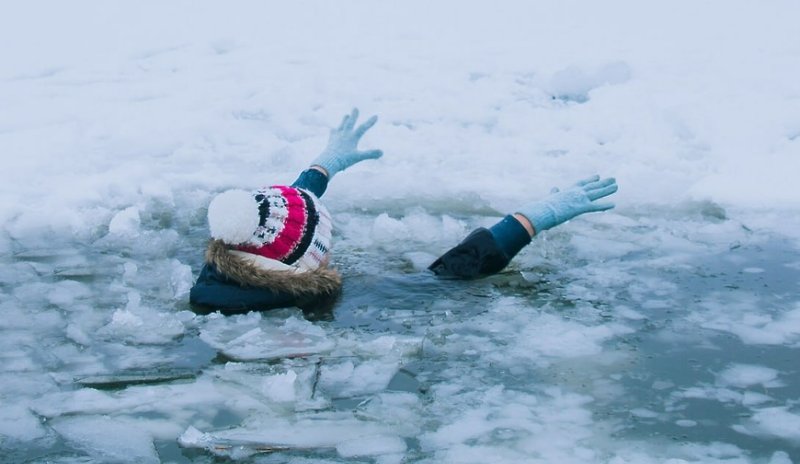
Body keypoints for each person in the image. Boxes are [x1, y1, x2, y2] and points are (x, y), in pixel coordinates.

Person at [189, 109, 618, 314]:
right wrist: (525, 223)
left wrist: (321, 169)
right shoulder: (313, 301)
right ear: (309, 264)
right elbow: (447, 275)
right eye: (326, 246)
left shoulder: (217, 278)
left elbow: (283, 225)